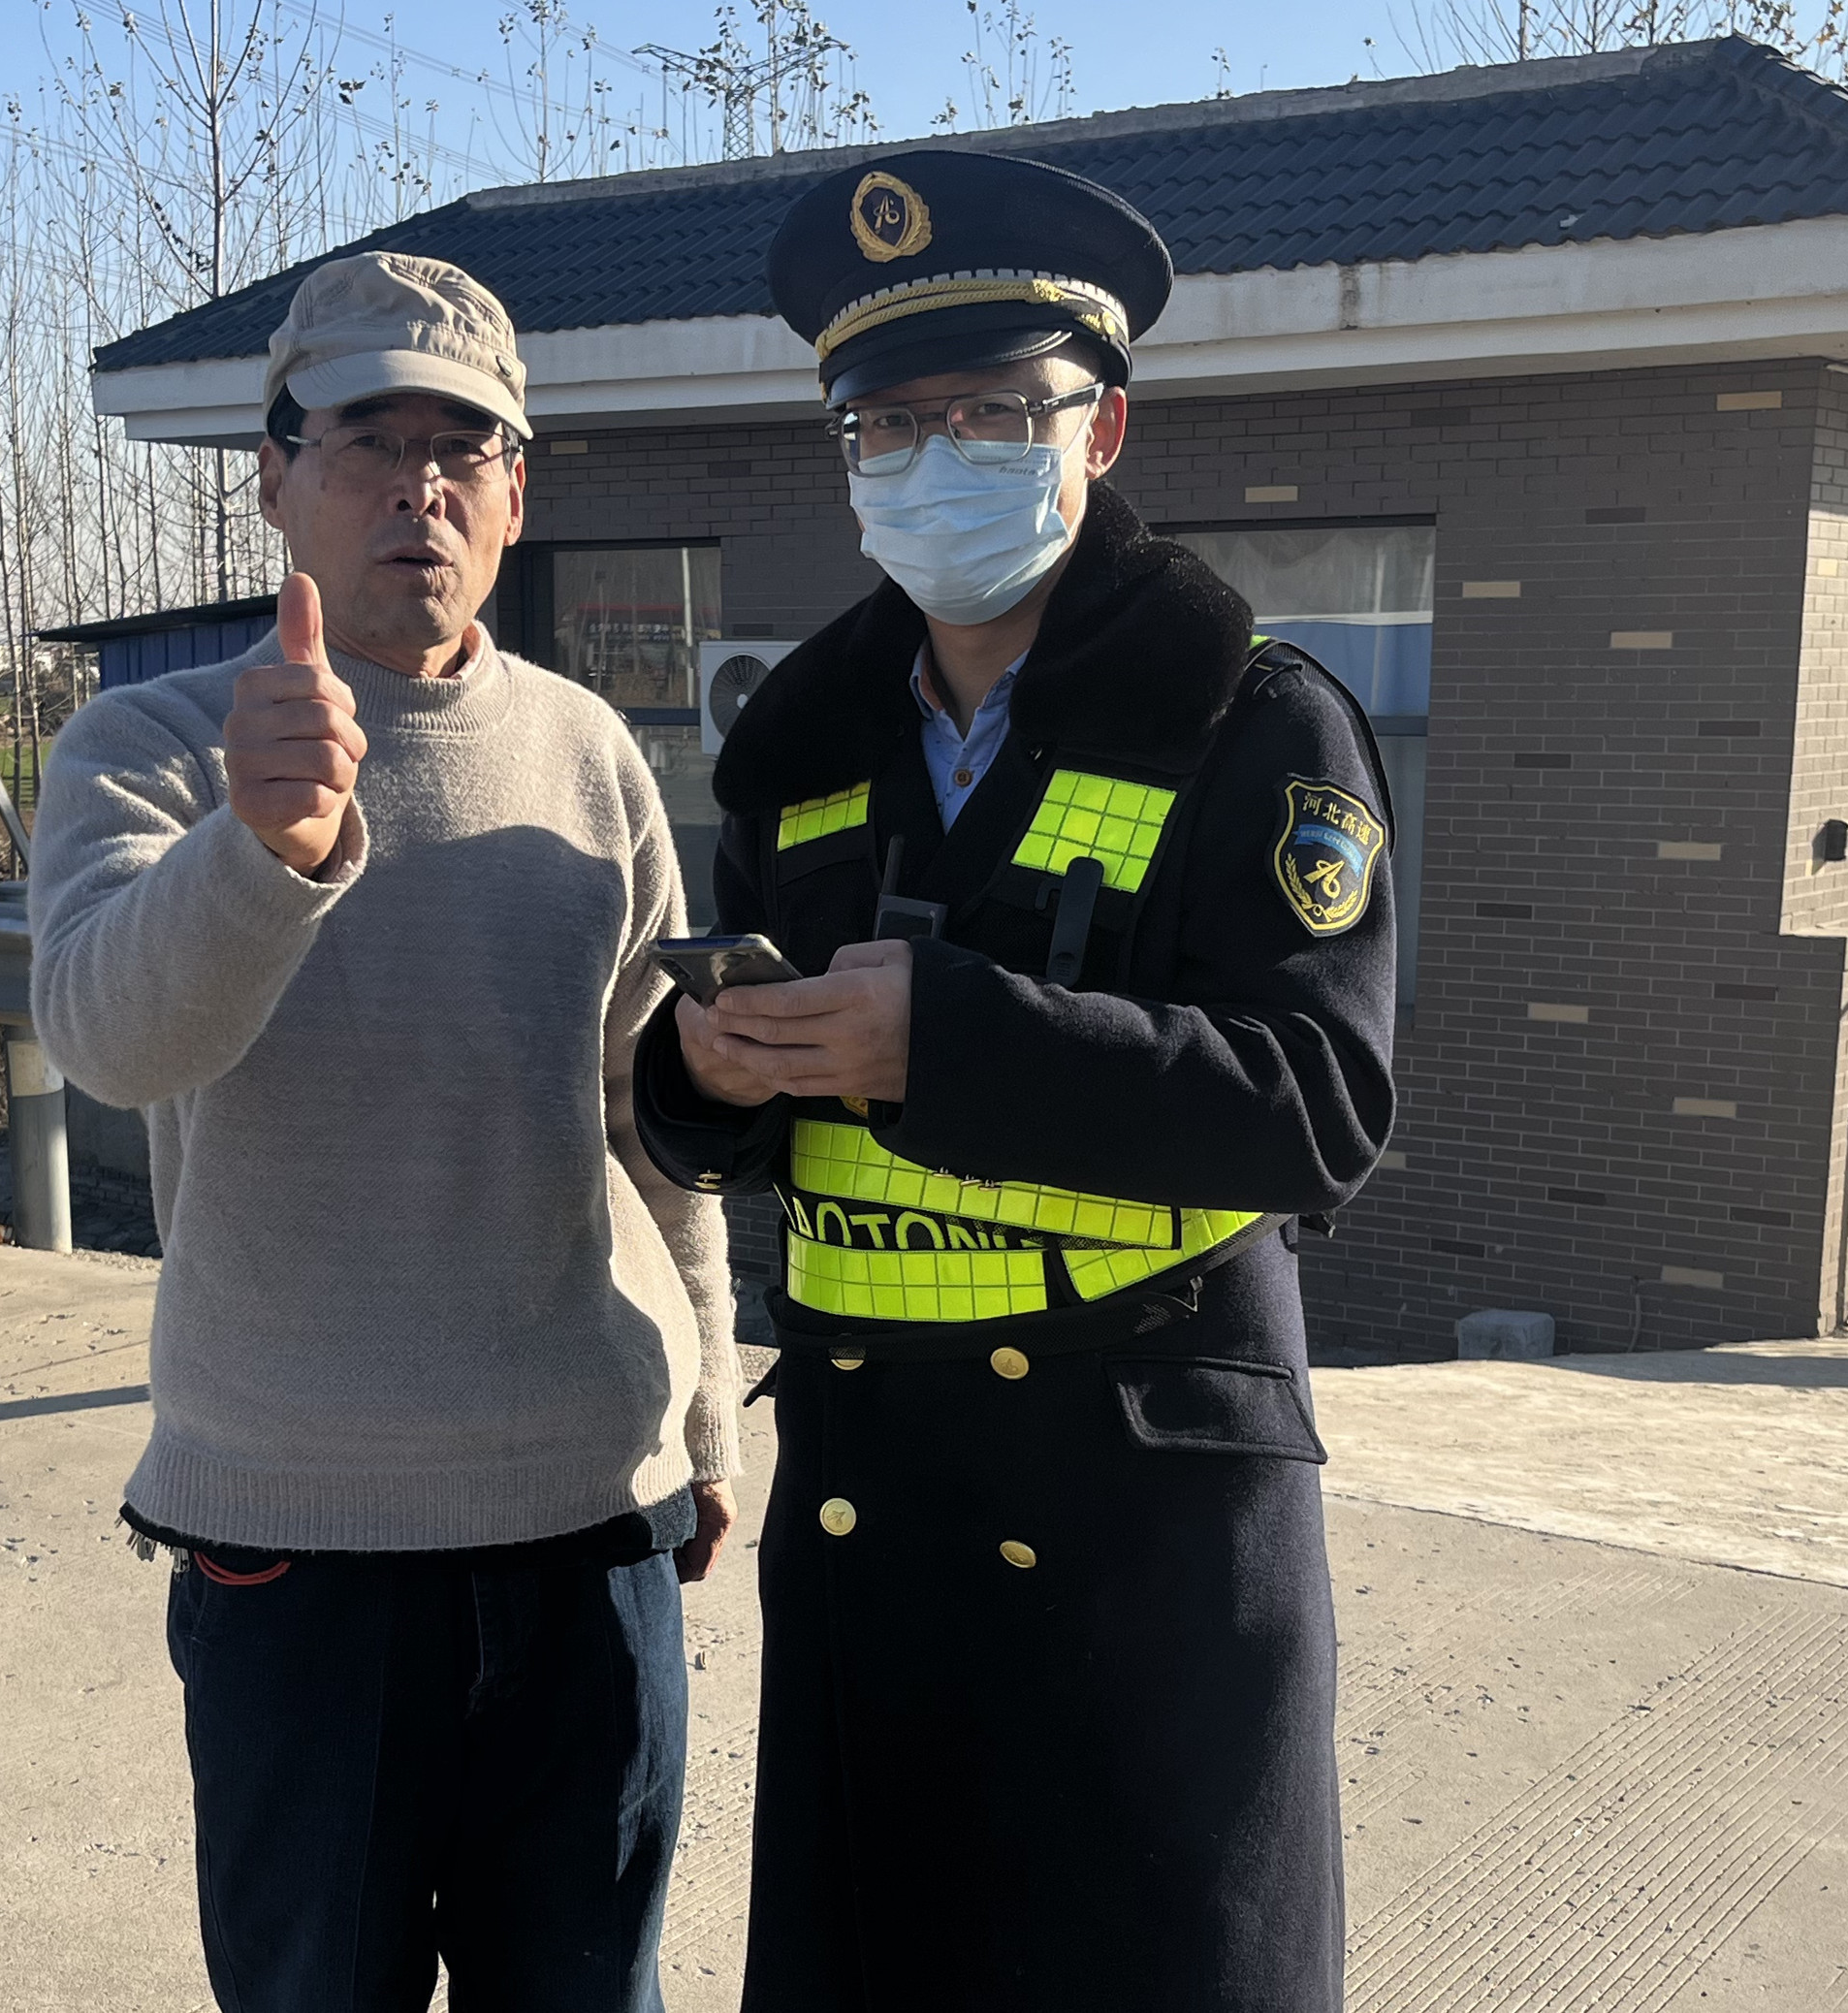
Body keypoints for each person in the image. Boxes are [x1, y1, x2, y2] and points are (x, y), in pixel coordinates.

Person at [631, 149, 1398, 2008]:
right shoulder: (800, 741)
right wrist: (706, 1071)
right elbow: (746, 1098)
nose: (932, 459)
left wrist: (954, 1042)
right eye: (886, 426)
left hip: (1146, 1510)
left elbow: (1319, 1106)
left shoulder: (1249, 713)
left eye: (988, 411)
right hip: (877, 1499)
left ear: (1100, 428)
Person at [27, 249, 739, 2013]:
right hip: (300, 1535)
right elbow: (111, 1039)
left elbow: (649, 1118)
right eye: (367, 440)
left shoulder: (590, 752)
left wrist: (710, 1404)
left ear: (516, 495)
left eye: (462, 445)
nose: (420, 484)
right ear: (274, 477)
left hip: (588, 1516)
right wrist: (261, 846)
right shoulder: (154, 745)